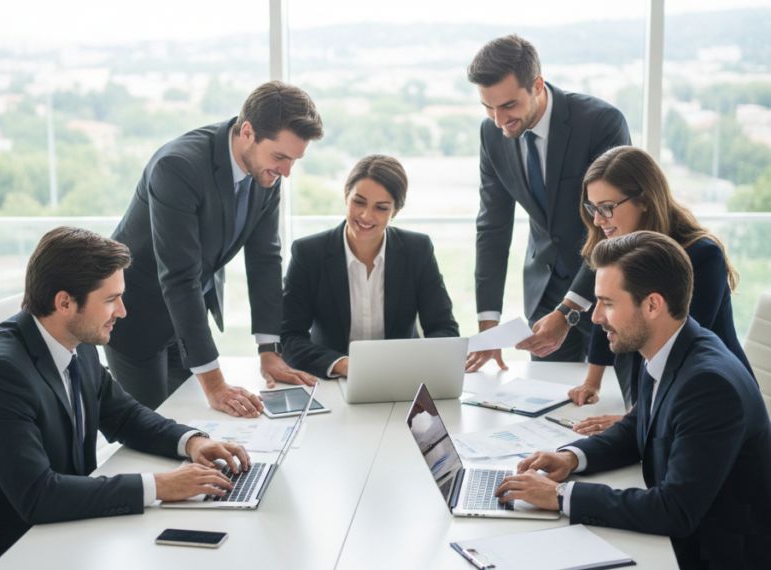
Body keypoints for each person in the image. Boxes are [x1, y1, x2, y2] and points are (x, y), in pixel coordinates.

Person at [0, 227, 250, 569]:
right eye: (110, 299)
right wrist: (162, 485)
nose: (121, 311)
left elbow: (123, 416)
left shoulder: (77, 340)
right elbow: (39, 496)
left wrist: (191, 441)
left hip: (58, 533)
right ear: (64, 303)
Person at [493, 231, 771, 569]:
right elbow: (639, 425)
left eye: (608, 304)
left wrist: (561, 495)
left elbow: (675, 510)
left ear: (653, 305)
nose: (595, 317)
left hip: (713, 554)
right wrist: (571, 458)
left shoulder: (708, 384)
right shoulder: (666, 348)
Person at [105, 80, 323, 416]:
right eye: (280, 156)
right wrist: (216, 384)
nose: (287, 171)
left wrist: (269, 349)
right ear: (247, 132)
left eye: (295, 160)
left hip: (189, 321)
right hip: (139, 319)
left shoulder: (267, 172)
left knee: (196, 424)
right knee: (152, 430)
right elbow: (179, 277)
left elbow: (265, 257)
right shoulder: (178, 166)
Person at [464, 35, 631, 372]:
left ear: (537, 85)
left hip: (609, 286)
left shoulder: (600, 123)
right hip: (545, 292)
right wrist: (488, 321)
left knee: (614, 398)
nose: (498, 120)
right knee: (547, 402)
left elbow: (616, 226)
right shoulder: (491, 134)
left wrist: (571, 308)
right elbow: (492, 228)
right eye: (488, 107)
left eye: (508, 105)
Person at [567, 146, 753, 434]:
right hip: (659, 389)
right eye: (592, 208)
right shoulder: (620, 248)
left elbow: (677, 349)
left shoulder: (703, 256)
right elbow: (606, 313)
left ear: (643, 200)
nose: (597, 220)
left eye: (606, 207)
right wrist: (592, 383)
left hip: (710, 395)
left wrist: (634, 422)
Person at [281, 155, 459, 379]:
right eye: (359, 202)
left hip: (400, 379)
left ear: (395, 211)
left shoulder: (418, 250)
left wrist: (410, 362)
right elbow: (289, 337)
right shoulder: (308, 253)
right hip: (333, 380)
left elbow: (445, 329)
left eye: (381, 208)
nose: (366, 216)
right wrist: (341, 364)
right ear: (346, 195)